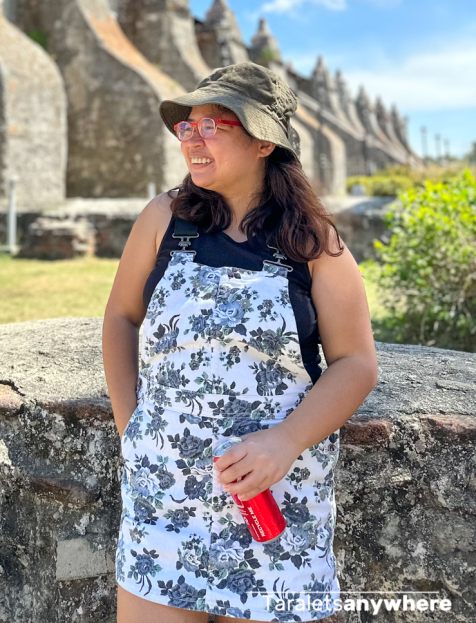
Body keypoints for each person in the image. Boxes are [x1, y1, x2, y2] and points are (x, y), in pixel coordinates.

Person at [103, 62, 378, 623]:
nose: (193, 138)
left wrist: (284, 442)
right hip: (164, 504)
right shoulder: (165, 219)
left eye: (214, 124)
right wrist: (130, 427)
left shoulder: (311, 241)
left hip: (275, 507)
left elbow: (356, 363)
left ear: (262, 141)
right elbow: (120, 318)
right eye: (188, 126)